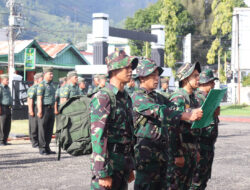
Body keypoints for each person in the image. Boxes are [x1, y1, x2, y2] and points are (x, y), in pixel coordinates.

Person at [131, 59, 203, 190]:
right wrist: (186, 114)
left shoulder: (157, 97)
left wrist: (191, 111)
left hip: (163, 156)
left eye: (157, 75)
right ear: (141, 78)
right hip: (147, 156)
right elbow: (159, 111)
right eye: (152, 75)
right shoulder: (137, 97)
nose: (156, 78)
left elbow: (174, 108)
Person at [90, 50, 138, 190]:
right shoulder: (103, 97)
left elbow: (128, 133)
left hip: (122, 165)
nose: (130, 71)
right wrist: (102, 173)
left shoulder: (125, 97)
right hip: (108, 166)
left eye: (131, 68)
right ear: (114, 70)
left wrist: (129, 166)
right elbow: (98, 137)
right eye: (126, 67)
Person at [166, 62, 202, 189]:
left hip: (190, 150)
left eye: (198, 75)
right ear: (186, 78)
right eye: (195, 76)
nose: (199, 79)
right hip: (180, 152)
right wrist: (177, 154)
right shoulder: (178, 97)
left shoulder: (193, 98)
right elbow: (171, 128)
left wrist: (196, 149)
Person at [191, 69, 220, 190]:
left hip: (208, 146)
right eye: (211, 82)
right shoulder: (197, 99)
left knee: (203, 180)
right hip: (200, 147)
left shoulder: (209, 98)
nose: (213, 84)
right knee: (195, 182)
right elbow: (193, 127)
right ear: (204, 83)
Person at [37, 67, 56, 155]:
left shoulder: (52, 85)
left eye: (52, 74)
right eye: (50, 74)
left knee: (49, 129)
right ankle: (42, 148)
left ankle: (47, 147)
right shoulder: (42, 85)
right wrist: (40, 110)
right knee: (42, 129)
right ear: (45, 74)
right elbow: (39, 98)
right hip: (44, 109)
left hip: (51, 109)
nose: (51, 75)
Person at [27, 72, 43, 148]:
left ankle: (39, 141)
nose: (43, 80)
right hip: (34, 107)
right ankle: (34, 142)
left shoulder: (41, 87)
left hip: (40, 107)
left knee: (39, 125)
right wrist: (31, 110)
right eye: (41, 79)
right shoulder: (33, 88)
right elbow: (30, 100)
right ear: (37, 80)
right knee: (34, 126)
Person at [0, 74, 12, 146]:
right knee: (2, 125)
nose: (8, 81)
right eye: (6, 80)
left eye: (8, 80)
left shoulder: (8, 88)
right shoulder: (0, 88)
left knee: (7, 125)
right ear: (2, 80)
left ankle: (5, 140)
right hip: (2, 108)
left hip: (8, 108)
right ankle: (1, 140)